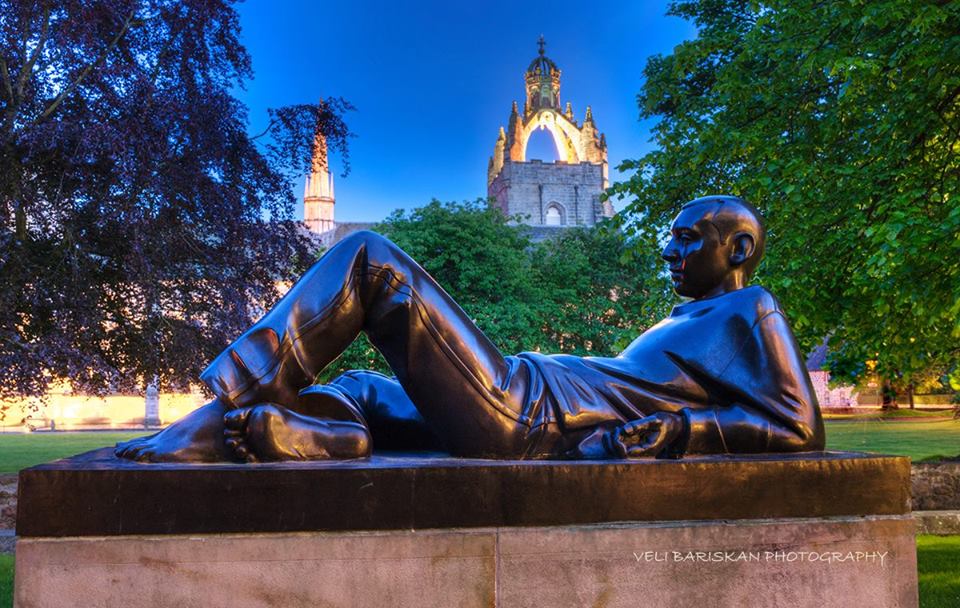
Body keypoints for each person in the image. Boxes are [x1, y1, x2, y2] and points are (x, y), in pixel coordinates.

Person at [115, 195, 824, 463]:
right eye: (670, 238)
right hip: (530, 394)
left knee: (371, 263)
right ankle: (325, 435)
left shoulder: (748, 308)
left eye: (687, 239)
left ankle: (223, 406)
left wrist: (685, 432)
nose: (668, 251)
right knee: (361, 385)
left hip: (530, 411)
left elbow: (800, 428)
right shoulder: (687, 317)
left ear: (738, 250)